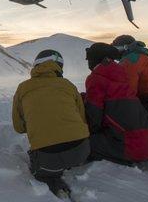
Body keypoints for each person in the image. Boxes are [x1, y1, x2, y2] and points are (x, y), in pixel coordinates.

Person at [12, 50, 90, 196]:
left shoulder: (23, 88)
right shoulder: (68, 85)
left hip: (47, 157)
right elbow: (82, 118)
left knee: (44, 171)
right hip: (81, 151)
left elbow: (18, 127)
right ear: (59, 67)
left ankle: (54, 185)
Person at [84, 43, 148, 165]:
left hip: (134, 147)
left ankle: (122, 159)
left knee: (84, 142)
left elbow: (94, 117)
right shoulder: (121, 76)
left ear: (94, 59)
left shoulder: (96, 78)